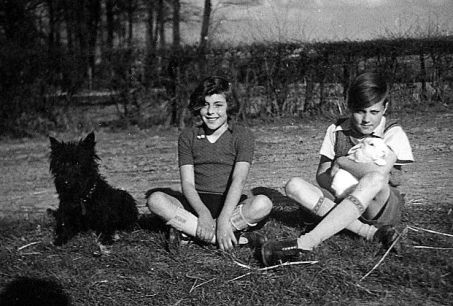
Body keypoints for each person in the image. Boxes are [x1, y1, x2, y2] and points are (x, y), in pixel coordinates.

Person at [261, 72, 414, 266]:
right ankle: (370, 233)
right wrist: (344, 193)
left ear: (385, 108)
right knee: (294, 185)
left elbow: (379, 174)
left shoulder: (393, 131)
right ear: (350, 107)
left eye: (374, 112)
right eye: (360, 111)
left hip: (379, 207)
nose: (367, 119)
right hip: (343, 197)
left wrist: (342, 162)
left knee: (374, 179)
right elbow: (322, 175)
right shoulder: (337, 129)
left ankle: (306, 242)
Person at [147, 76, 272, 251]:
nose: (211, 111)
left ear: (229, 106)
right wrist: (203, 214)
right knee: (155, 200)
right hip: (196, 205)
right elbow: (188, 184)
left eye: (218, 105)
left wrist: (223, 217)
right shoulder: (187, 136)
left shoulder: (242, 135)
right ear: (198, 106)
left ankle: (190, 233)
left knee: (263, 203)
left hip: (229, 203)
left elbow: (239, 179)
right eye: (205, 104)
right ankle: (231, 237)